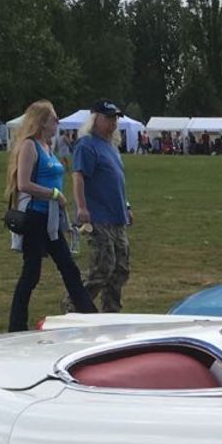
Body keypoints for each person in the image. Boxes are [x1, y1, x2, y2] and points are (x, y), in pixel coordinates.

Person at [5, 99, 96, 332]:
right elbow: (24, 183)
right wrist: (54, 194)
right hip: (36, 218)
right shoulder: (30, 146)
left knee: (69, 268)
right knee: (31, 274)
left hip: (52, 221)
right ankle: (16, 326)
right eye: (55, 119)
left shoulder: (47, 146)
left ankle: (91, 317)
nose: (58, 123)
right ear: (42, 121)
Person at [71, 99, 132, 313]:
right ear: (95, 119)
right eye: (109, 118)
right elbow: (78, 176)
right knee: (102, 267)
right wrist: (81, 207)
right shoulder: (86, 145)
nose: (113, 123)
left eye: (115, 118)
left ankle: (111, 311)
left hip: (117, 216)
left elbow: (116, 180)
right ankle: (74, 306)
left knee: (121, 268)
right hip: (98, 215)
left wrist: (126, 206)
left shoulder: (111, 146)